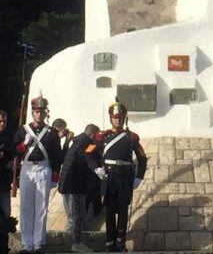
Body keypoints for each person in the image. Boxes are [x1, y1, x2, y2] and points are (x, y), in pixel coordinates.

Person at [86, 101, 147, 252]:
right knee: (109, 210)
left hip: (125, 177)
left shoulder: (131, 137)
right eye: (115, 117)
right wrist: (96, 169)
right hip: (109, 176)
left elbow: (142, 158)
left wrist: (138, 177)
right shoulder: (102, 136)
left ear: (124, 118)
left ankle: (120, 241)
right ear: (110, 118)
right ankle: (109, 241)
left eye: (120, 117)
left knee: (123, 209)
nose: (117, 120)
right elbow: (88, 153)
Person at [12, 93, 62, 254]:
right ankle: (27, 244)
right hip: (27, 168)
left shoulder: (51, 132)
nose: (39, 114)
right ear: (32, 112)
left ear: (45, 112)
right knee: (26, 207)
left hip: (43, 168)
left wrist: (54, 175)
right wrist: (24, 143)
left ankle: (38, 243)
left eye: (42, 111)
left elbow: (57, 155)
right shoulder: (23, 130)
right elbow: (13, 151)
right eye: (36, 111)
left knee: (41, 207)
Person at [59, 123, 100, 253]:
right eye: (96, 135)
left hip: (66, 184)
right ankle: (75, 243)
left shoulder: (76, 141)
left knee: (72, 217)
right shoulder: (87, 143)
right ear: (92, 134)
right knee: (77, 216)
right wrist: (97, 145)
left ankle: (67, 243)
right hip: (75, 186)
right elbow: (88, 157)